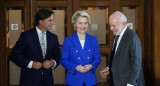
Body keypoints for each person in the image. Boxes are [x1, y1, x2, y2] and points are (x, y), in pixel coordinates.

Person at [9, 8, 61, 86]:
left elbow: (58, 56)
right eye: (50, 20)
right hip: (29, 81)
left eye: (53, 20)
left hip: (47, 81)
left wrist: (53, 62)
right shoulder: (26, 36)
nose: (53, 23)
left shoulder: (53, 37)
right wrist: (31, 64)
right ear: (41, 21)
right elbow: (14, 55)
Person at [100, 11, 145, 86]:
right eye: (110, 25)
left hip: (128, 82)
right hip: (117, 80)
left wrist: (131, 84)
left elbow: (136, 64)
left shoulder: (132, 38)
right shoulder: (117, 33)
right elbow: (117, 55)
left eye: (114, 26)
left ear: (124, 24)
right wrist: (109, 68)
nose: (111, 28)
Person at [60, 11, 101, 86]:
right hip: (74, 79)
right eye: (80, 23)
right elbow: (63, 60)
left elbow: (97, 59)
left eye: (85, 23)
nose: (83, 26)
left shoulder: (93, 39)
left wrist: (90, 66)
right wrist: (76, 67)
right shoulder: (68, 40)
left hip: (90, 80)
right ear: (75, 24)